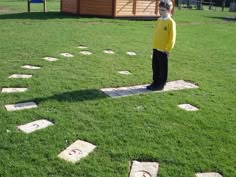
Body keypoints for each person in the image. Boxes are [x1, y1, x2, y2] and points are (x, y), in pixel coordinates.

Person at [147, 0, 176, 90]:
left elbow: (172, 37)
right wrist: (154, 46)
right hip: (156, 48)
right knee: (155, 67)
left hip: (163, 50)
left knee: (162, 69)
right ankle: (155, 82)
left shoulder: (170, 22)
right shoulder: (159, 20)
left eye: (163, 10)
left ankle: (161, 84)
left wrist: (168, 49)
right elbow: (156, 33)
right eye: (160, 10)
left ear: (169, 10)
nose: (161, 12)